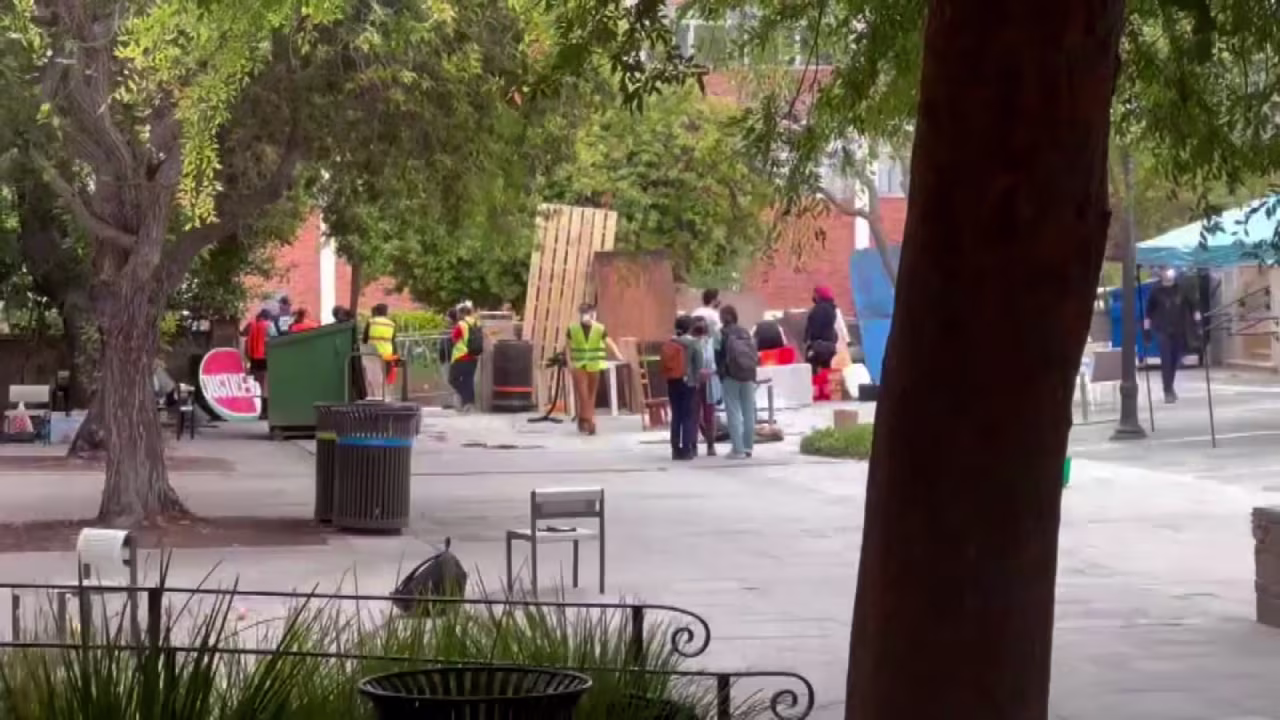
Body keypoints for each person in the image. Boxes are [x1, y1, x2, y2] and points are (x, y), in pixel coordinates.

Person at [1145, 267, 1201, 403]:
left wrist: (1198, 325)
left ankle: (1170, 386)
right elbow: (1148, 313)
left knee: (1175, 360)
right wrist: (1146, 331)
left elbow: (1194, 307)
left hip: (1179, 330)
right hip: (1162, 330)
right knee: (1166, 360)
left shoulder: (1181, 289)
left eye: (1170, 269)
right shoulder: (1156, 291)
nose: (1168, 272)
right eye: (1165, 270)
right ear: (1161, 273)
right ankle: (1167, 391)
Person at [566, 302, 623, 435]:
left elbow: (609, 342)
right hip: (579, 365)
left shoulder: (599, 328)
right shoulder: (573, 329)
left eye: (588, 313)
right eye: (583, 313)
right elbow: (568, 347)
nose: (585, 316)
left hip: (594, 365)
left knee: (591, 395)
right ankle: (590, 421)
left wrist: (618, 354)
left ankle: (584, 419)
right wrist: (569, 362)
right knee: (583, 394)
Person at [717, 304, 758, 459]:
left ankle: (737, 449)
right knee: (748, 411)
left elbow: (718, 354)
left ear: (723, 317)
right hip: (748, 373)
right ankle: (748, 447)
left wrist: (720, 372)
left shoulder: (722, 333)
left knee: (733, 410)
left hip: (731, 375)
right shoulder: (745, 332)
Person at [662, 315, 702, 460]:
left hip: (672, 380)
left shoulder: (670, 342)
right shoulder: (693, 343)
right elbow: (699, 363)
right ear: (690, 328)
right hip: (688, 382)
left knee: (676, 415)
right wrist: (696, 379)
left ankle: (675, 449)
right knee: (688, 416)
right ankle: (686, 449)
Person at [804, 286, 840, 401]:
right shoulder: (832, 309)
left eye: (815, 294)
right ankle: (828, 393)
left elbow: (815, 327)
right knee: (826, 369)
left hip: (818, 345)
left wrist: (809, 341)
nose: (813, 296)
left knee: (811, 367)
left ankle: (815, 393)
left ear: (819, 295)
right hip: (830, 345)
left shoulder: (819, 309)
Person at [691, 316, 720, 456]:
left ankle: (711, 445)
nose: (700, 330)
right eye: (698, 327)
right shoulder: (690, 343)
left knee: (709, 414)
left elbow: (716, 360)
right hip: (694, 382)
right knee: (694, 414)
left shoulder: (711, 343)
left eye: (702, 327)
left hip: (709, 381)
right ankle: (693, 444)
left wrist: (711, 372)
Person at [449, 305, 481, 412]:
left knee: (453, 379)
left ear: (461, 313)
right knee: (469, 380)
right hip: (474, 356)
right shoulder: (477, 323)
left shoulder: (461, 325)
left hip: (461, 356)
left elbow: (454, 339)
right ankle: (470, 404)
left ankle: (466, 400)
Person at [244, 309, 272, 418]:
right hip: (265, 359)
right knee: (266, 386)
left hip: (254, 360)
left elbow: (246, 342)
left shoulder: (252, 326)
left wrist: (248, 358)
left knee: (258, 386)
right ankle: (265, 412)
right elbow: (274, 340)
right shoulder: (268, 326)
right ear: (267, 317)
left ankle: (258, 411)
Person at [364, 303, 398, 387]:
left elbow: (365, 338)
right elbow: (393, 340)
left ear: (376, 311)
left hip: (372, 352)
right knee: (385, 376)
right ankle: (385, 394)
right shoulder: (391, 324)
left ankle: (376, 395)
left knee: (374, 376)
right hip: (387, 352)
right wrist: (395, 355)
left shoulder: (371, 322)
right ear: (386, 312)